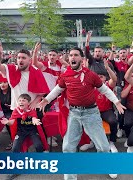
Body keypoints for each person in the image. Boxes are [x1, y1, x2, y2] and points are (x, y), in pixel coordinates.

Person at [38, 47, 126, 180]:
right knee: (68, 147)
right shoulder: (66, 75)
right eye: (71, 55)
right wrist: (46, 99)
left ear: (81, 59)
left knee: (102, 146)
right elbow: (58, 89)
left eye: (75, 55)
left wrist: (116, 102)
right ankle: (70, 177)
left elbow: (105, 90)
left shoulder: (91, 75)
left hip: (91, 113)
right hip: (74, 113)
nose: (72, 57)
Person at [0, 42, 50, 111]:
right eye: (19, 58)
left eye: (23, 58)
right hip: (16, 109)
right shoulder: (11, 69)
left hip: (32, 109)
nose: (20, 60)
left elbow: (42, 91)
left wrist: (34, 102)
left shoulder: (36, 72)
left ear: (29, 61)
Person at [80, 59, 119, 152]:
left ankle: (111, 142)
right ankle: (91, 141)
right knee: (83, 122)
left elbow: (114, 79)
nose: (99, 78)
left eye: (101, 76)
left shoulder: (107, 85)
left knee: (113, 121)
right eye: (97, 76)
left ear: (105, 78)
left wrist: (108, 69)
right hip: (92, 110)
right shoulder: (89, 85)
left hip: (106, 111)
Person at [0, 74, 13, 150]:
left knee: (8, 119)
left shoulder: (13, 92)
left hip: (11, 112)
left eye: (5, 82)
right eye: (0, 83)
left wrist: (12, 106)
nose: (2, 84)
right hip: (1, 112)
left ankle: (13, 140)